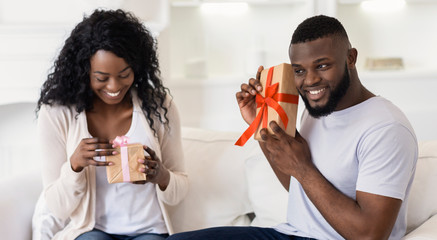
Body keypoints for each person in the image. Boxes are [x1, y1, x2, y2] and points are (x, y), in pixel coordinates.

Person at [167, 15, 417, 240]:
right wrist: (260, 121)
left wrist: (303, 168)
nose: (309, 81)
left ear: (350, 58)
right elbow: (299, 187)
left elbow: (370, 235)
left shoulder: (386, 128)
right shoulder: (318, 109)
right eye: (299, 70)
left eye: (322, 66)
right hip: (292, 232)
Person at [32, 9, 188, 240]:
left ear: (137, 66)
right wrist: (74, 166)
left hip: (150, 230)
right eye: (101, 78)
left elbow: (179, 190)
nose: (114, 86)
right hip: (92, 230)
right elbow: (58, 207)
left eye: (124, 74)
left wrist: (161, 175)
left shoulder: (158, 106)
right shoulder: (57, 112)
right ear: (84, 72)